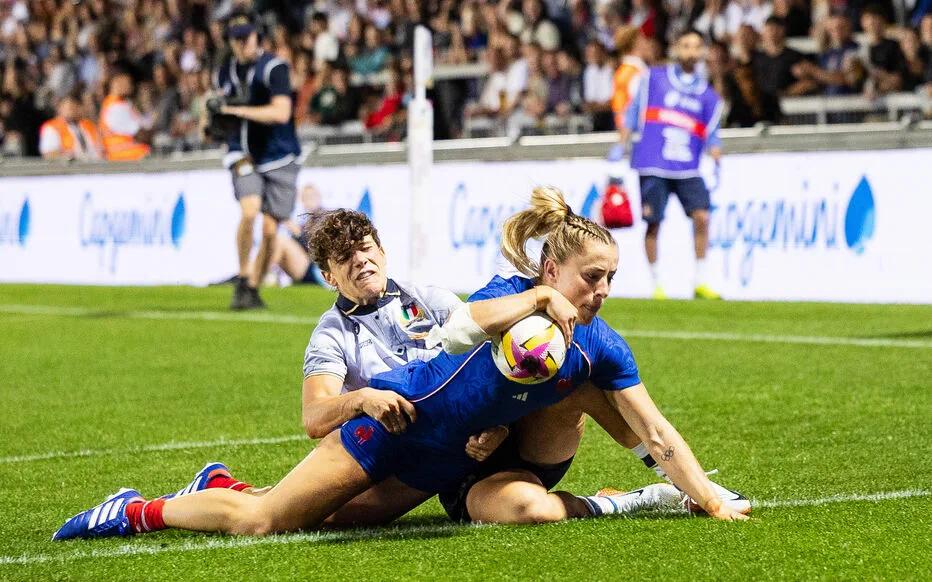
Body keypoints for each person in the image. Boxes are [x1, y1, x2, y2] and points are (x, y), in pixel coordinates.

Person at [53, 189, 749, 542]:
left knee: (335, 525)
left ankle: (653, 496)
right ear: (549, 268)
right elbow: (456, 334)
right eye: (589, 277)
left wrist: (712, 501)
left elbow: (654, 429)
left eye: (609, 280)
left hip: (442, 459)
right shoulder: (505, 296)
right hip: (389, 424)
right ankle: (137, 511)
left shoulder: (603, 345)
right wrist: (536, 298)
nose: (600, 292)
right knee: (266, 522)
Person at [622, 29, 724, 300]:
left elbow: (712, 132)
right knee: (654, 224)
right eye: (686, 45)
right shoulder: (654, 78)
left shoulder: (709, 96)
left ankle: (700, 279)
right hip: (653, 162)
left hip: (687, 166)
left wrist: (715, 150)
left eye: (697, 46)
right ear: (677, 48)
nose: (691, 51)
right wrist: (623, 138)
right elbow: (633, 112)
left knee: (702, 216)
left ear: (703, 52)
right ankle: (656, 283)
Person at [214, 11, 303, 311]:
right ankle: (242, 277)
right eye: (235, 40)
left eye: (244, 39)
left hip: (278, 156)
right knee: (249, 210)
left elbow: (281, 112)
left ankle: (251, 287)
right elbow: (217, 112)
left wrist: (238, 111)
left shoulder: (274, 68)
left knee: (269, 230)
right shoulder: (224, 72)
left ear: (256, 37)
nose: (240, 46)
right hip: (242, 151)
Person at [99, 71, 151, 161]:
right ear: (116, 83)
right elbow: (141, 134)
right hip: (125, 158)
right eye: (127, 82)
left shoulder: (124, 103)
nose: (130, 86)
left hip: (132, 157)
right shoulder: (115, 106)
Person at [38, 94, 101, 161]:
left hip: (92, 166)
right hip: (68, 168)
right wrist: (67, 156)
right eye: (69, 107)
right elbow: (49, 153)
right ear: (60, 108)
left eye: (75, 107)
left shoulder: (88, 125)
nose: (72, 110)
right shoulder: (51, 127)